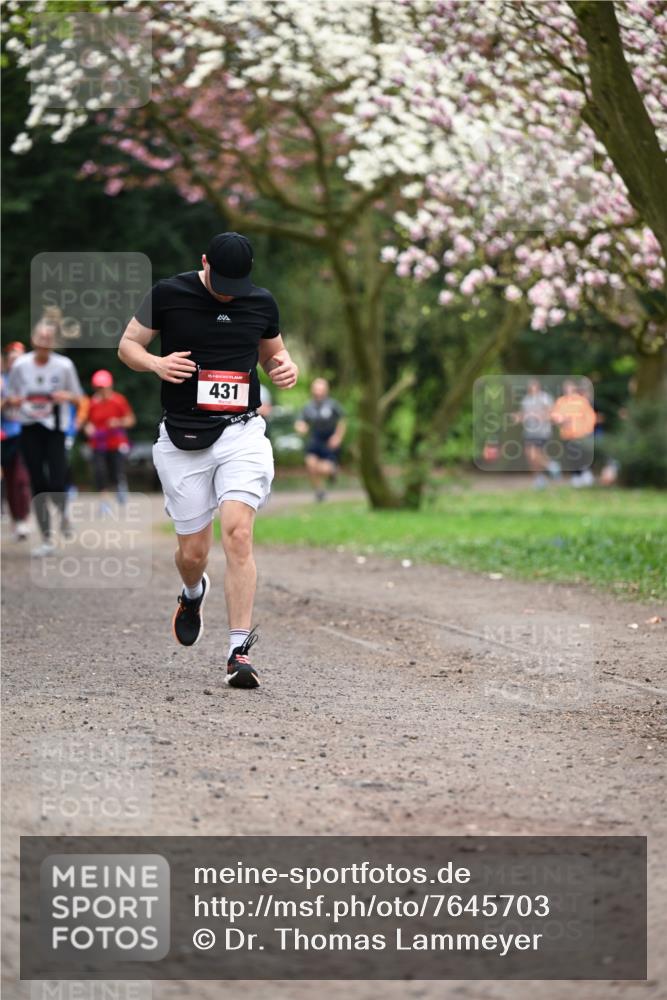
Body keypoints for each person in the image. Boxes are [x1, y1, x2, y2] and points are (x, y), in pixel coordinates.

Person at [118, 231, 298, 689]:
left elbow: (275, 354)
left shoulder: (260, 303)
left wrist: (286, 367)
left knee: (238, 532)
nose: (228, 293)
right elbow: (128, 346)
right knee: (193, 553)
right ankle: (192, 592)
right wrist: (156, 364)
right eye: (221, 283)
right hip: (183, 438)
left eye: (236, 285)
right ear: (203, 263)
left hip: (242, 431)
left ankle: (238, 651)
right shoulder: (169, 293)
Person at [6, 320, 84, 556]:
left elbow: (79, 398)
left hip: (55, 428)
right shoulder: (20, 365)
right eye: (40, 337)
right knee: (38, 483)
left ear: (54, 342)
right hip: (29, 427)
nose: (44, 342)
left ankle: (64, 514)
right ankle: (47, 538)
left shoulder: (64, 366)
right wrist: (15, 401)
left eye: (49, 338)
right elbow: (9, 397)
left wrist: (66, 395)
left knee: (58, 482)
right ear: (33, 339)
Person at [84, 369, 136, 514]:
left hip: (116, 442)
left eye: (104, 387)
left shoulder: (119, 400)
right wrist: (88, 428)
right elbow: (86, 422)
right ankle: (104, 503)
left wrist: (118, 422)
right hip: (98, 444)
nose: (102, 390)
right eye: (99, 387)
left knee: (116, 471)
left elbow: (131, 420)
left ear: (110, 386)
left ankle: (120, 485)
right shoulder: (92, 403)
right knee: (99, 472)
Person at [295, 377, 346, 501]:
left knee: (325, 468)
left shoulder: (333, 405)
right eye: (316, 389)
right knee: (310, 464)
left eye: (321, 389)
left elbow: (342, 420)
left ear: (326, 390)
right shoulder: (308, 407)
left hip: (329, 441)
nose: (318, 392)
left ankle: (332, 472)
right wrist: (300, 427)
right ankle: (319, 491)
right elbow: (300, 422)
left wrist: (338, 437)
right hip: (315, 440)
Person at [1, 341, 32, 540]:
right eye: (13, 359)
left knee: (19, 480)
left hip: (23, 435)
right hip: (4, 435)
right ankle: (14, 519)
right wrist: (7, 402)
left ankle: (21, 519)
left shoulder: (32, 381)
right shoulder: (2, 381)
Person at [551, 379, 597, 486]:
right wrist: (560, 420)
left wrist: (587, 430)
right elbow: (555, 415)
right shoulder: (561, 401)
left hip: (580, 434)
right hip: (567, 435)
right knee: (572, 457)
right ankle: (576, 476)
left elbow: (590, 417)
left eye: (570, 387)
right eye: (566, 388)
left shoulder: (581, 401)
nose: (568, 390)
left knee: (581, 456)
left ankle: (584, 474)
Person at [515, 378, 554, 488]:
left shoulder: (545, 398)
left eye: (533, 386)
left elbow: (550, 413)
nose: (531, 389)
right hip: (529, 431)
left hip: (542, 431)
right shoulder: (526, 400)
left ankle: (549, 465)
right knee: (530, 455)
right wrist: (517, 417)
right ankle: (539, 477)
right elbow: (523, 414)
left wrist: (539, 416)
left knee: (536, 454)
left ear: (538, 387)